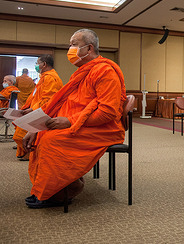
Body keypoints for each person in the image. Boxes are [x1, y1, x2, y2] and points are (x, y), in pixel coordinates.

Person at [22, 29, 127, 209]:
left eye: (74, 44)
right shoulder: (80, 73)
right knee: (41, 136)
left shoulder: (105, 71)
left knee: (51, 141)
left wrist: (70, 121)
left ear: (89, 48)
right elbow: (63, 104)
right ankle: (48, 187)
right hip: (79, 122)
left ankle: (62, 191)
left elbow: (107, 112)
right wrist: (35, 127)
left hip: (103, 128)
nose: (70, 49)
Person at [13, 55, 63, 161]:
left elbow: (48, 100)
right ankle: (27, 152)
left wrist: (32, 110)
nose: (36, 65)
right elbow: (36, 96)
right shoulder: (44, 77)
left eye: (37, 63)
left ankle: (29, 152)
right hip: (36, 108)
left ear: (44, 64)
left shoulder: (50, 78)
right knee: (19, 129)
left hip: (43, 112)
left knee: (20, 133)